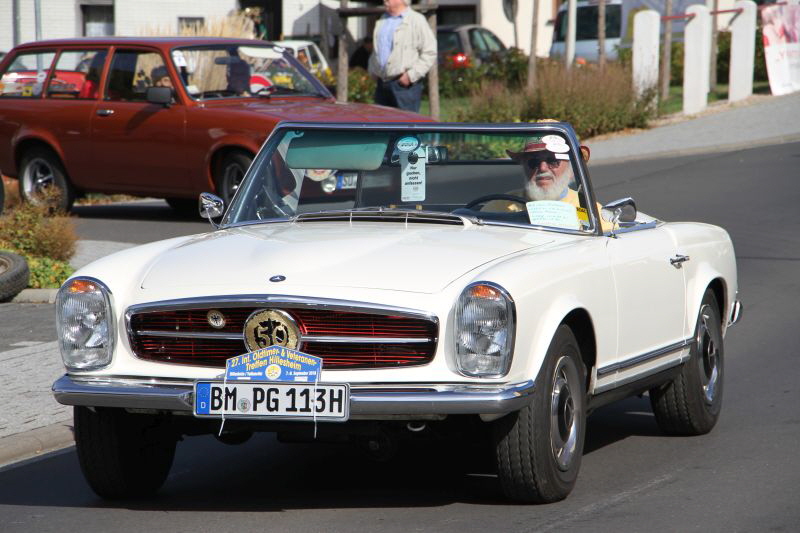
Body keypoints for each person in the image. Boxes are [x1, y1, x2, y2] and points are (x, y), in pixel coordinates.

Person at [487, 134, 613, 232]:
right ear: (524, 167)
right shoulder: (500, 207)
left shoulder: (591, 211)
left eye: (553, 161)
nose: (542, 168)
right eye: (533, 162)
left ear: (571, 169)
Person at [368, 0, 436, 112]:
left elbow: (430, 51)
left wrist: (411, 76)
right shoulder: (382, 20)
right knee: (381, 125)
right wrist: (372, 70)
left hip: (404, 86)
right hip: (382, 83)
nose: (385, 0)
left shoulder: (416, 20)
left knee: (406, 125)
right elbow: (376, 50)